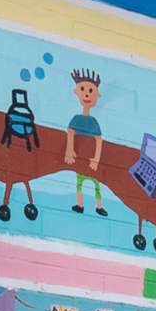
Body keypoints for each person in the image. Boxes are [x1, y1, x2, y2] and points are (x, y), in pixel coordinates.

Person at [63, 69, 109, 215]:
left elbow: (99, 141)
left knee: (96, 184)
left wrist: (96, 160)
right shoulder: (76, 119)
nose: (87, 94)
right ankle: (80, 204)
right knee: (80, 183)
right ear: (76, 92)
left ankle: (99, 206)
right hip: (81, 159)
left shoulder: (94, 122)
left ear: (97, 95)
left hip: (91, 161)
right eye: (83, 89)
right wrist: (69, 151)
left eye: (90, 91)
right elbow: (70, 134)